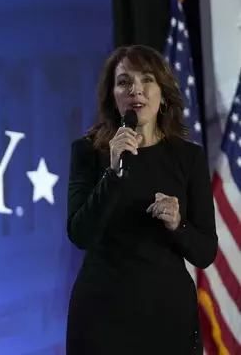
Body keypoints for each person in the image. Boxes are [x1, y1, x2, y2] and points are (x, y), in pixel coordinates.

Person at [65, 45, 218, 355]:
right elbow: (80, 233)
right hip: (101, 317)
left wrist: (178, 224)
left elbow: (206, 252)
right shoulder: (88, 152)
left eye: (146, 79)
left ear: (162, 92)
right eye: (124, 81)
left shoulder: (188, 158)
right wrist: (113, 172)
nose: (136, 90)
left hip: (167, 318)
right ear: (112, 96)